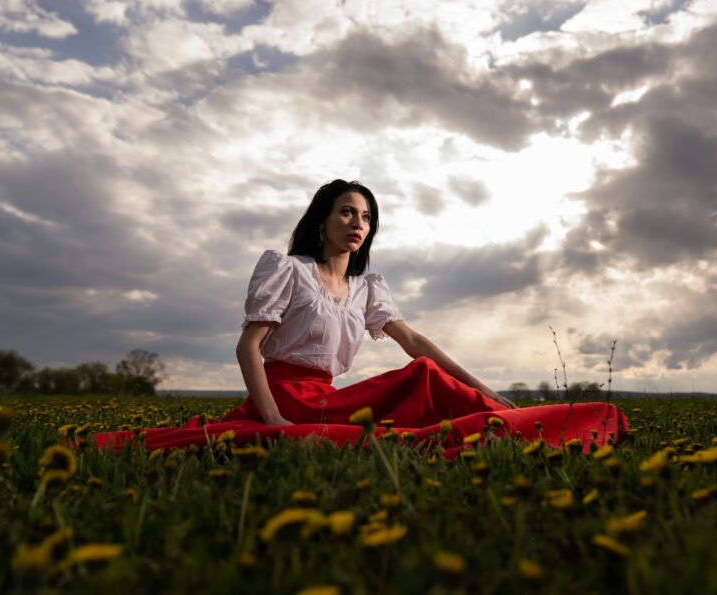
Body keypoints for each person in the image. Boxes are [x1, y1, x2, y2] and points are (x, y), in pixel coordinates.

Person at [95, 179, 628, 456]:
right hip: (285, 396)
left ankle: (504, 418)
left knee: (422, 373)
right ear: (322, 220)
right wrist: (273, 420)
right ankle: (519, 431)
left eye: (367, 216)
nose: (358, 223)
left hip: (325, 395)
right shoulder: (288, 270)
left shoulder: (367, 287)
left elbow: (414, 340)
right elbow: (248, 348)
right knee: (418, 386)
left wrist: (484, 386)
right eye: (347, 212)